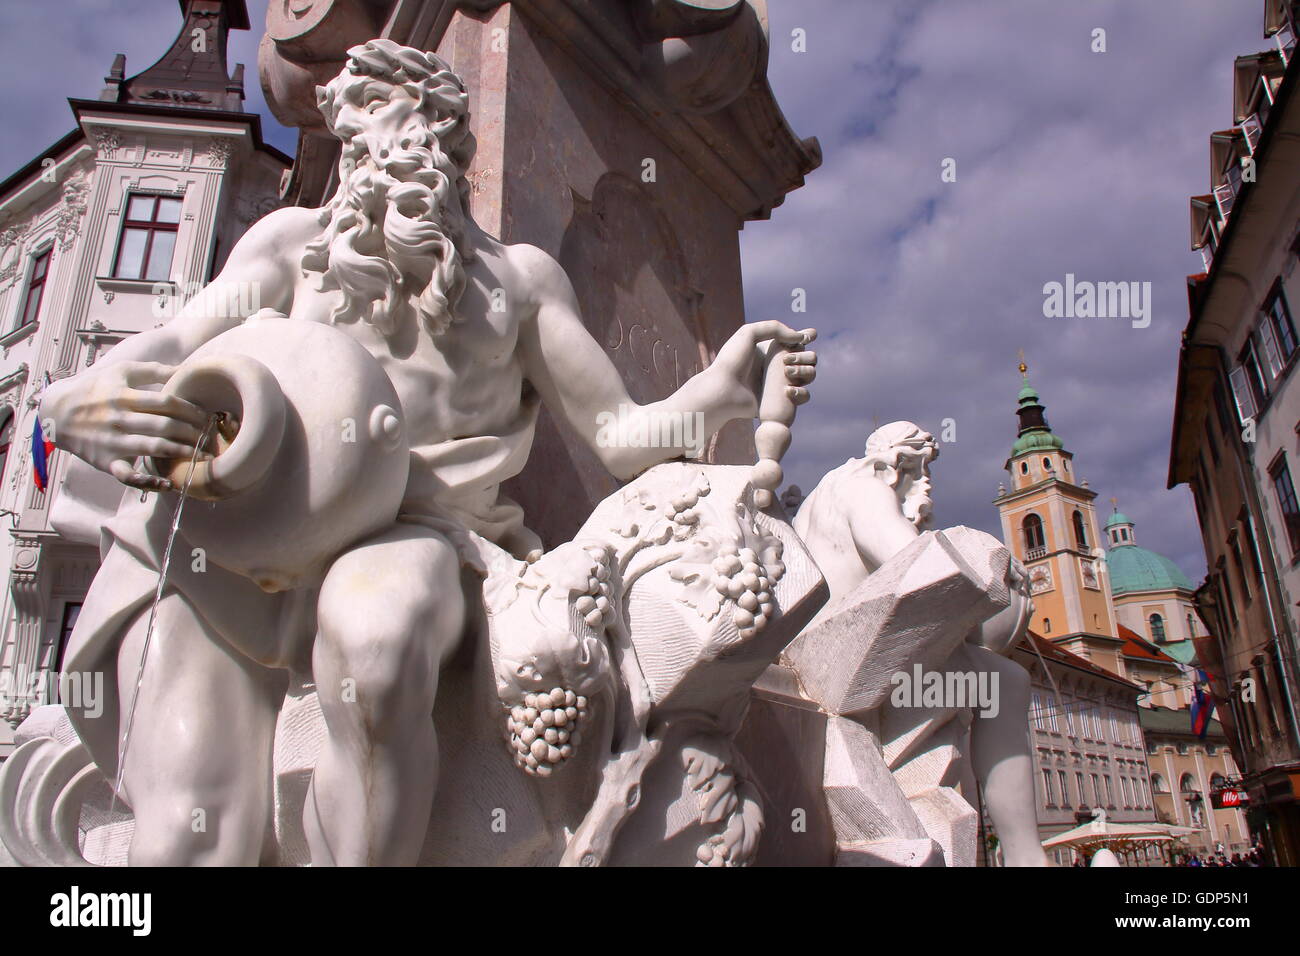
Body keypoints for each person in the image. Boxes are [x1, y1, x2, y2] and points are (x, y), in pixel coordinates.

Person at [41, 40, 816, 866]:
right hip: (228, 544)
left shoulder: (517, 286)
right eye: (360, 136)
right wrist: (73, 404)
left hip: (406, 533)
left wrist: (719, 394)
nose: (383, 155)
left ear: (451, 142)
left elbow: (619, 434)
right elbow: (164, 348)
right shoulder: (287, 248)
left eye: (407, 126)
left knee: (377, 635)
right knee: (197, 838)